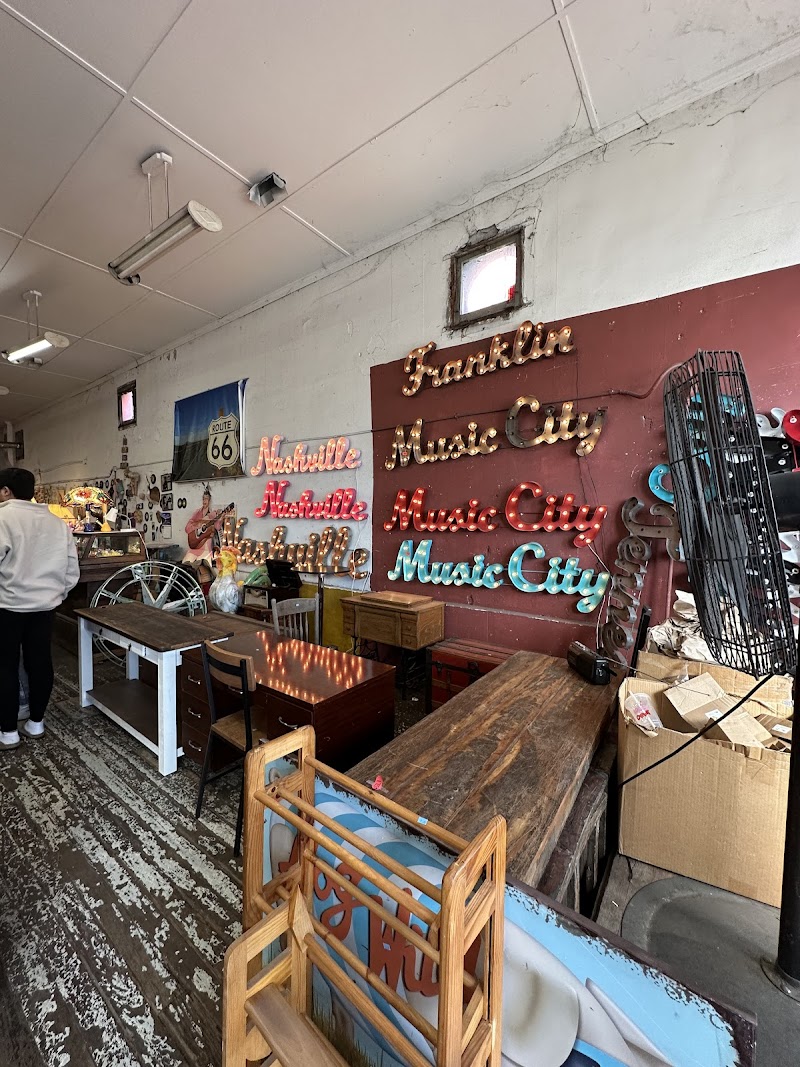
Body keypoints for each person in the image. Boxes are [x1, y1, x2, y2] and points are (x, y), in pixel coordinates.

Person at [0, 467, 80, 750]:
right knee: (40, 662)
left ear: (6, 491)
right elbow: (71, 571)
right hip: (45, 608)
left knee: (6, 666)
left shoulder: (2, 518)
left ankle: (8, 732)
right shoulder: (57, 523)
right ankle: (36, 723)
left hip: (7, 607)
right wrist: (55, 594)